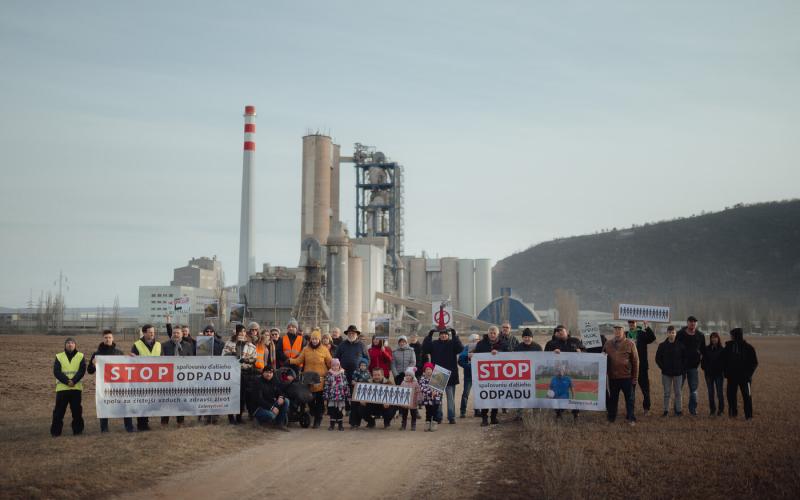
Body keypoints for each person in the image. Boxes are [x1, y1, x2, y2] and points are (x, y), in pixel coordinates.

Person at [289, 328, 332, 428]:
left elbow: (330, 362)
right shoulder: (306, 349)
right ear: (310, 340)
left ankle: (318, 419)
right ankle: (313, 413)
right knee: (310, 400)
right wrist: (290, 361)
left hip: (320, 380)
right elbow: (299, 360)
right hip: (308, 379)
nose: (314, 341)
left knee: (320, 401)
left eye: (316, 339)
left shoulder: (324, 350)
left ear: (319, 340)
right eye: (313, 339)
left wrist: (337, 369)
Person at [88, 329, 130, 432]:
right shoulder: (97, 354)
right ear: (103, 339)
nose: (108, 339)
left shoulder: (119, 353)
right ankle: (104, 429)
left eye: (109, 337)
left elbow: (125, 367)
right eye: (106, 338)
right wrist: (93, 364)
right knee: (104, 406)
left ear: (113, 338)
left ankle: (129, 427)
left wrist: (132, 359)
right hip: (104, 386)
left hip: (119, 385)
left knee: (124, 405)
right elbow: (89, 371)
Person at [471, 325, 510, 426]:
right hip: (484, 377)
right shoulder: (481, 344)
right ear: (488, 334)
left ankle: (493, 417)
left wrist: (499, 352)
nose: (492, 335)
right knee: (485, 397)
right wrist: (472, 355)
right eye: (490, 333)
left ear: (497, 334)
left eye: (494, 333)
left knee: (495, 397)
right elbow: (475, 355)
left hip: (498, 376)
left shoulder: (503, 344)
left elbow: (509, 355)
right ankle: (484, 418)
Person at [424, 327, 464, 424]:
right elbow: (425, 349)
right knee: (437, 398)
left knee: (450, 398)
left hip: (451, 374)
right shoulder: (434, 344)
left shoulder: (452, 343)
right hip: (438, 374)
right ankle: (438, 417)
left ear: (448, 335)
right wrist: (430, 335)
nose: (443, 335)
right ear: (439, 335)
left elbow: (460, 348)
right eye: (441, 334)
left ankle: (451, 417)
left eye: (445, 334)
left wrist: (455, 335)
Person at [603, 325, 639, 425]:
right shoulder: (608, 344)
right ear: (613, 331)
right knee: (613, 400)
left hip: (627, 377)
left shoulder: (630, 344)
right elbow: (602, 359)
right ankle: (611, 418)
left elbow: (636, 362)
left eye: (620, 330)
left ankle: (631, 418)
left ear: (623, 331)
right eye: (615, 330)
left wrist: (635, 378)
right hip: (613, 378)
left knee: (630, 400)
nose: (617, 332)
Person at [545, 326, 582, 421]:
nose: (560, 333)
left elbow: (585, 351)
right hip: (559, 371)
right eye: (558, 332)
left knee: (569, 395)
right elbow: (545, 356)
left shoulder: (575, 340)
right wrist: (552, 353)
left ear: (566, 331)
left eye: (562, 331)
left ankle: (575, 414)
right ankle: (558, 413)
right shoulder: (553, 344)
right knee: (557, 393)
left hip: (568, 370)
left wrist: (581, 351)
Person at [50, 337, 86, 437]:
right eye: (68, 343)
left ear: (75, 345)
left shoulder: (80, 356)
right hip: (62, 389)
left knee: (77, 412)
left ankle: (78, 431)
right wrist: (67, 381)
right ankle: (55, 432)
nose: (70, 345)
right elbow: (56, 371)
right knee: (58, 412)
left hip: (76, 388)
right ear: (65, 345)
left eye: (72, 343)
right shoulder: (59, 356)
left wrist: (73, 381)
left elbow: (82, 371)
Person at [161, 322, 194, 427]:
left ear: (182, 334)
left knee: (181, 400)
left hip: (182, 378)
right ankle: (164, 422)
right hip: (168, 378)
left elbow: (191, 361)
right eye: (174, 333)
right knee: (167, 400)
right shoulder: (165, 345)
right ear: (172, 334)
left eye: (178, 333)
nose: (176, 335)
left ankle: (180, 421)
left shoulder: (188, 346)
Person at [223, 323, 257, 424]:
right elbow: (223, 355)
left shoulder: (250, 345)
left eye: (243, 331)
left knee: (242, 396)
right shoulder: (230, 343)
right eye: (240, 331)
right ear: (236, 333)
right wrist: (232, 354)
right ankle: (231, 417)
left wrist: (246, 360)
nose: (242, 333)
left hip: (244, 373)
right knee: (232, 395)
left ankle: (239, 416)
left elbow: (254, 358)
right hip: (232, 373)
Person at [130, 324, 161, 431]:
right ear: (144, 333)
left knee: (149, 401)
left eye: (153, 332)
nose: (152, 334)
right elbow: (132, 361)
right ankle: (141, 424)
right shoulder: (137, 345)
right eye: (150, 332)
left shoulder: (158, 345)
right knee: (142, 401)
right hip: (141, 379)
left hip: (155, 378)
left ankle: (146, 422)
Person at [723, 328, 758, 420]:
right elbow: (723, 361)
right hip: (732, 377)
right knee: (730, 396)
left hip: (745, 378)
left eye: (732, 335)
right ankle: (733, 414)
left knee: (747, 396)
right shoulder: (729, 347)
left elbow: (754, 363)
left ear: (736, 336)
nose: (731, 337)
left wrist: (748, 374)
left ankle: (749, 416)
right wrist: (726, 372)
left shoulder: (749, 348)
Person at [676, 315, 706, 416]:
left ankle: (693, 409)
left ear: (696, 323)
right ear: (687, 322)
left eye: (694, 322)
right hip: (681, 366)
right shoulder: (680, 334)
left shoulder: (700, 335)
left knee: (693, 390)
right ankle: (678, 410)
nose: (693, 323)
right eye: (691, 321)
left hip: (693, 367)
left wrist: (701, 361)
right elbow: (675, 347)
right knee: (678, 389)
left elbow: (703, 350)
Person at [626, 320, 656, 415]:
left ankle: (646, 408)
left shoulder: (642, 334)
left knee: (645, 389)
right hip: (629, 367)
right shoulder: (625, 334)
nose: (631, 324)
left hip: (642, 366)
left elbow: (652, 338)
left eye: (633, 322)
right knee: (630, 390)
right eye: (629, 322)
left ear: (636, 323)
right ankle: (630, 410)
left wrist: (646, 326)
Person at [655, 325, 686, 416]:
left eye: (673, 333)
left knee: (678, 393)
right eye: (670, 332)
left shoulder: (681, 345)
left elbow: (685, 358)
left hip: (678, 373)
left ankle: (679, 411)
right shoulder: (662, 345)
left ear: (675, 334)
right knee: (667, 392)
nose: (671, 334)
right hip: (666, 373)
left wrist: (681, 368)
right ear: (667, 333)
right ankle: (666, 411)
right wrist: (663, 367)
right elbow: (657, 358)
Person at [246, 366, 290, 430]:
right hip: (258, 408)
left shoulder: (274, 380)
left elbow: (281, 391)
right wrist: (272, 408)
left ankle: (279, 424)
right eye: (266, 372)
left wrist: (281, 397)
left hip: (270, 404)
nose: (268, 374)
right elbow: (259, 400)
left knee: (286, 401)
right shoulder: (258, 382)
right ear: (263, 373)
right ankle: (257, 420)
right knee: (272, 415)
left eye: (270, 372)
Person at [702, 331, 726, 416]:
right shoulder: (706, 349)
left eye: (715, 337)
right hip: (709, 374)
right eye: (712, 337)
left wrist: (722, 370)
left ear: (718, 338)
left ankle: (721, 410)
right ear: (710, 339)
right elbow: (703, 360)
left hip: (719, 375)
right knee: (710, 393)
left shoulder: (722, 350)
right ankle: (712, 410)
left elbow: (725, 362)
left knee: (719, 393)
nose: (714, 339)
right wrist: (704, 368)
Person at [323, 358, 350, 431]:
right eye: (333, 366)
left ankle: (340, 425)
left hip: (341, 396)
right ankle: (332, 425)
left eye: (336, 365)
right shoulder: (329, 375)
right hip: (332, 396)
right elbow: (326, 386)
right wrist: (326, 396)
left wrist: (347, 394)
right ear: (331, 366)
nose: (335, 367)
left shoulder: (343, 375)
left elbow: (346, 385)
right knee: (332, 411)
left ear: (339, 366)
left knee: (340, 411)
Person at [458, 334, 480, 418]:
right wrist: (469, 366)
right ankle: (462, 411)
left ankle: (478, 411)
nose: (476, 341)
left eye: (477, 339)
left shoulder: (481, 348)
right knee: (466, 393)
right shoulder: (467, 348)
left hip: (479, 375)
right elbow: (460, 360)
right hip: (469, 375)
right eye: (474, 340)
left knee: (478, 394)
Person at [419, 362, 442, 432]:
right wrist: (430, 393)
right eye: (427, 369)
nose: (428, 371)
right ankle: (427, 422)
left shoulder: (437, 378)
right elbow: (422, 388)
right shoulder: (422, 379)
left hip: (436, 399)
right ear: (424, 371)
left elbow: (440, 388)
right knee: (428, 411)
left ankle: (434, 423)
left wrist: (436, 392)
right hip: (427, 399)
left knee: (435, 411)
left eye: (430, 369)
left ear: (432, 370)